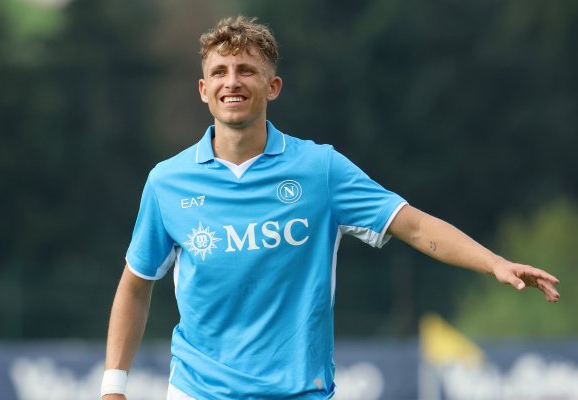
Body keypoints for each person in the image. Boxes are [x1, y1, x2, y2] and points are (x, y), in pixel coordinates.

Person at [101, 16, 560, 400]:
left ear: (273, 86)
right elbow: (136, 284)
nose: (232, 81)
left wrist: (494, 263)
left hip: (299, 391)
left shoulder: (319, 169)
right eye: (220, 71)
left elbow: (414, 226)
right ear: (203, 89)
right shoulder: (167, 181)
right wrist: (113, 387)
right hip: (199, 390)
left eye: (246, 70)